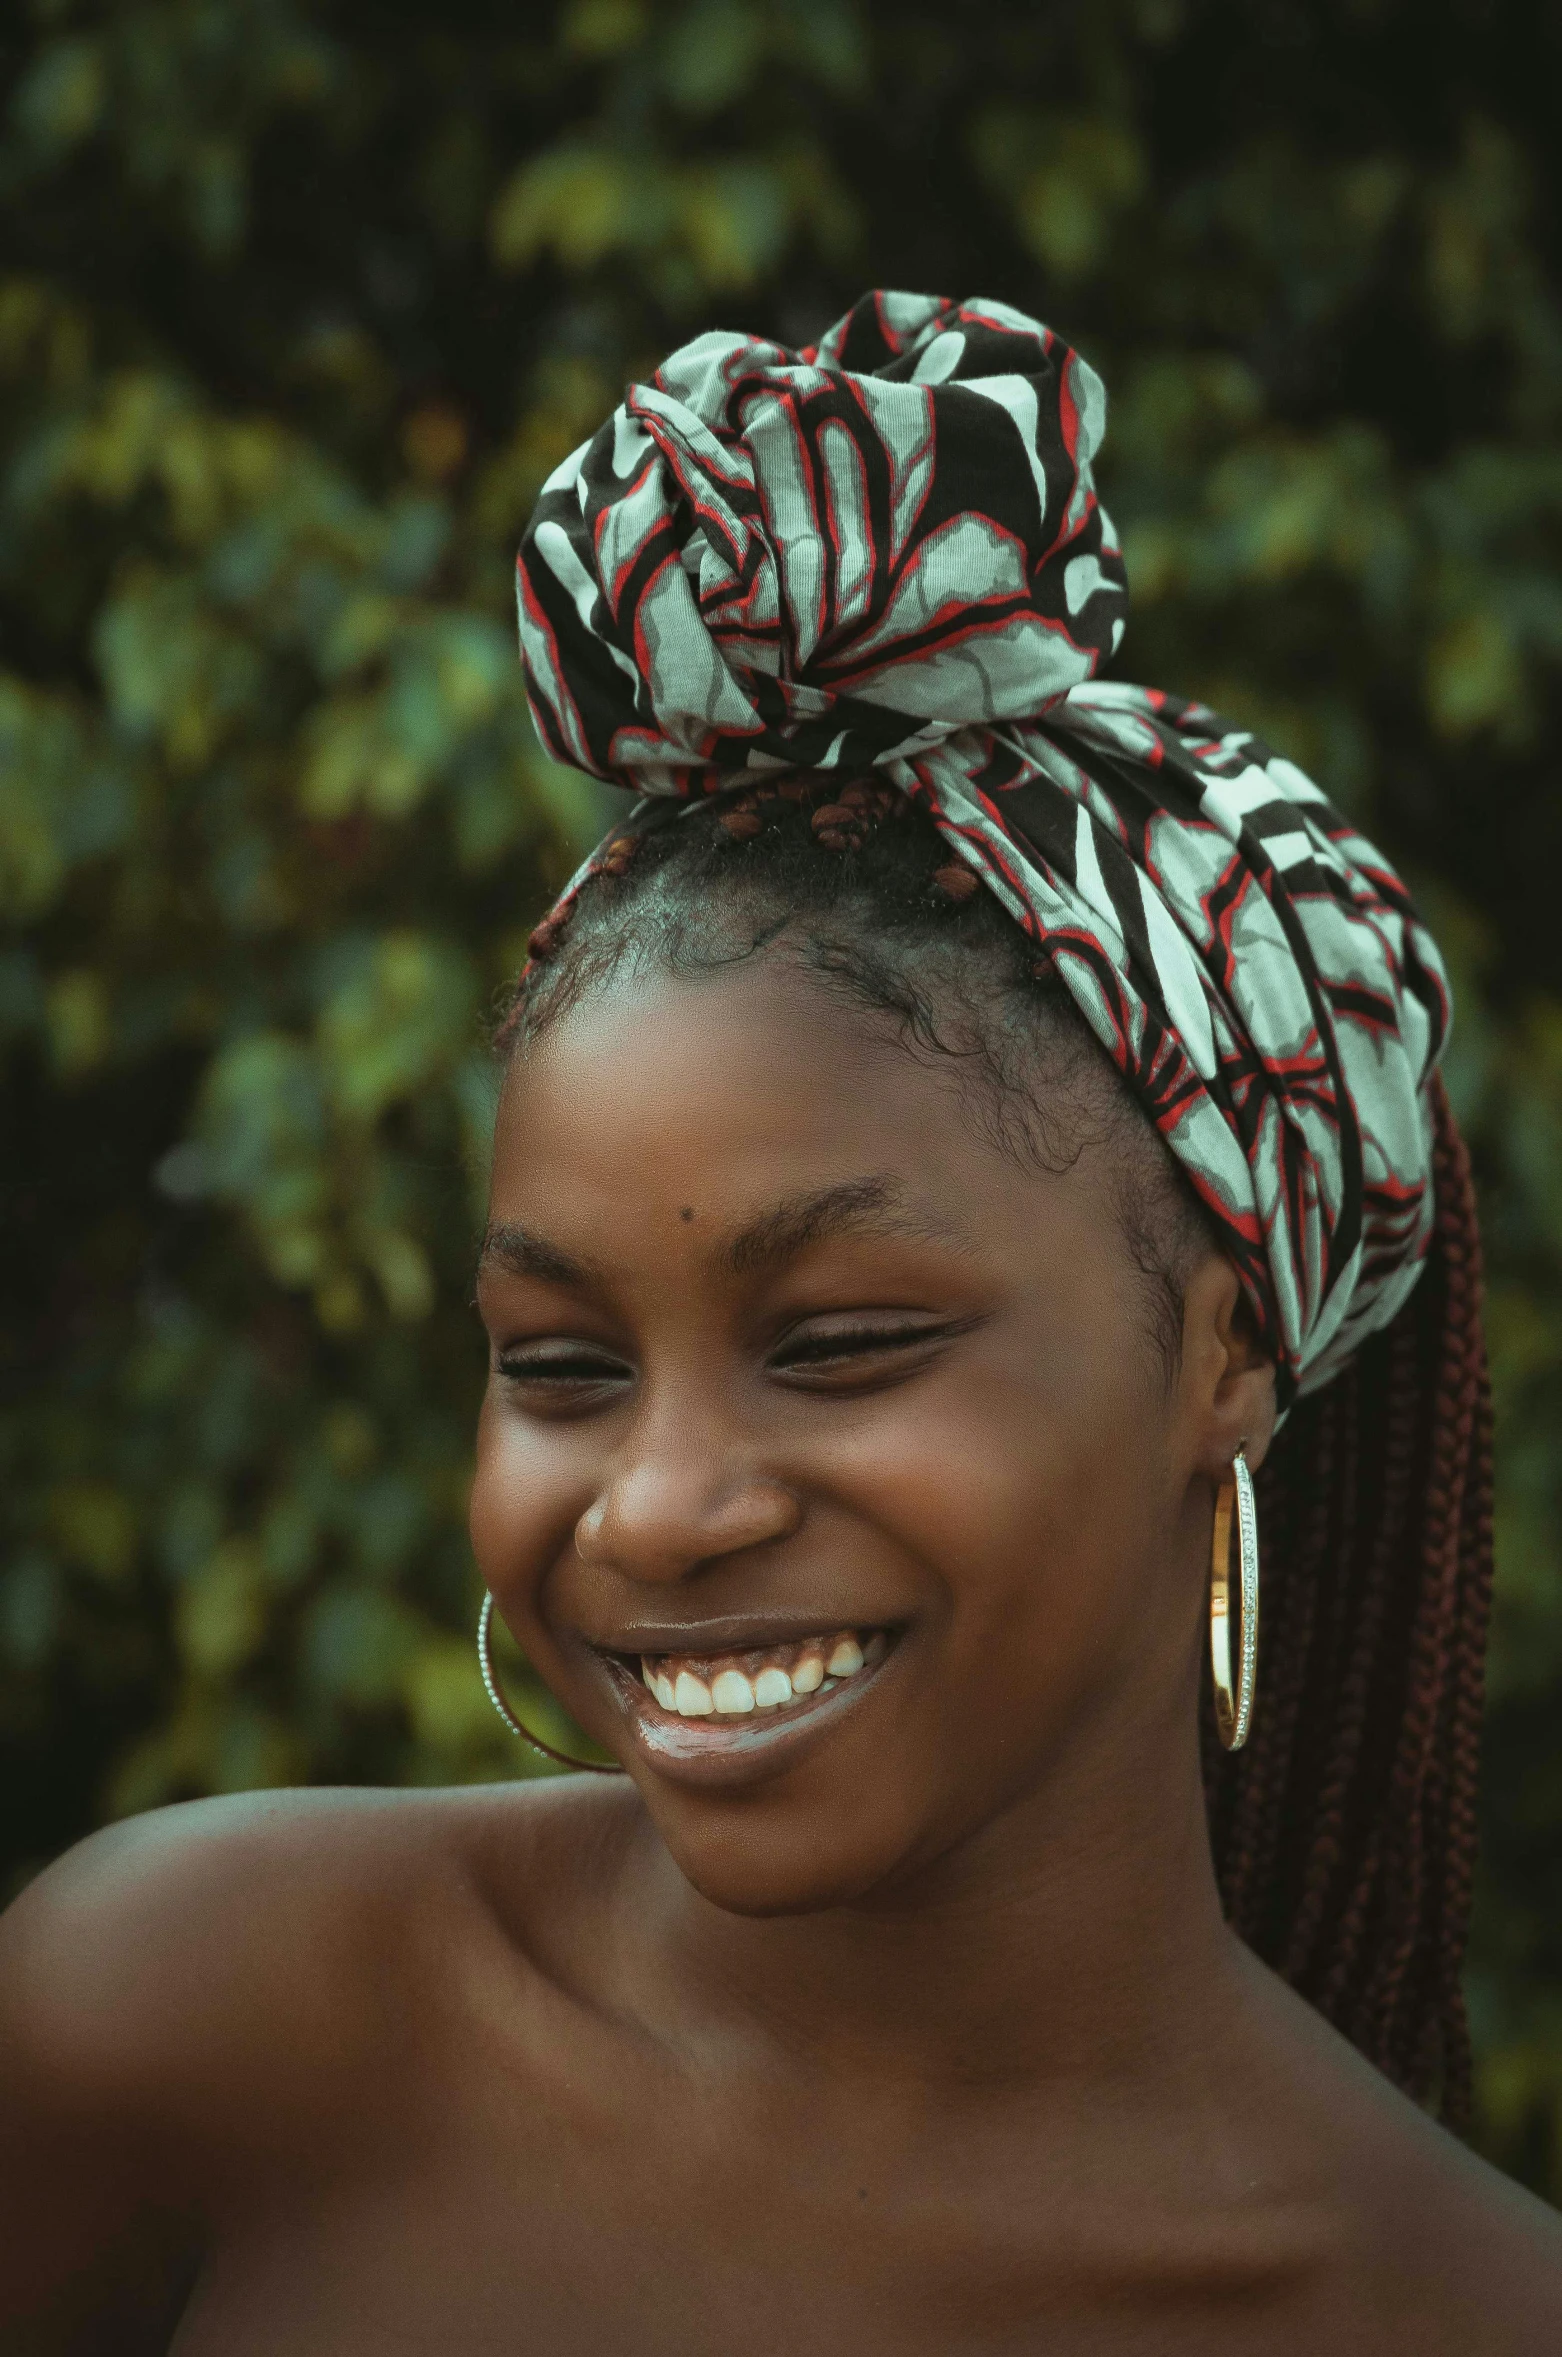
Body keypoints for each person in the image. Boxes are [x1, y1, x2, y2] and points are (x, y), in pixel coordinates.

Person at [2, 289, 1559, 2355]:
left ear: (1223, 1354)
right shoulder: (186, 2018)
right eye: (560, 1364)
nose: (655, 1506)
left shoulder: (1446, 2309)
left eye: (840, 1342)